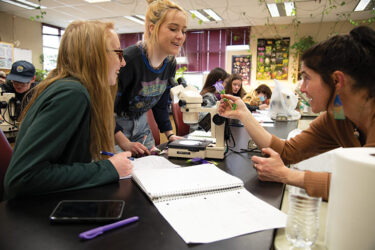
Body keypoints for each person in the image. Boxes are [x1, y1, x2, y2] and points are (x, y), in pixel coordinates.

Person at [218, 26, 375, 201]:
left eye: (307, 78)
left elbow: (366, 186)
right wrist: (244, 114)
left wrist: (287, 175)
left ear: (337, 80)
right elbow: (287, 152)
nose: (301, 88)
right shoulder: (338, 118)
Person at [4, 20, 133, 200]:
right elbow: (22, 178)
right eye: (118, 53)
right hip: (37, 217)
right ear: (92, 54)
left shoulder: (69, 88)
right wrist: (109, 168)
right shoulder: (72, 94)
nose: (123, 62)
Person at [114, 0, 187, 156]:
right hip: (115, 130)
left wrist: (170, 135)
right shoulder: (129, 60)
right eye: (173, 29)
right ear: (152, 28)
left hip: (142, 129)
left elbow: (160, 103)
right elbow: (104, 109)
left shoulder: (170, 63)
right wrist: (124, 142)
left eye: (184, 30)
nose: (180, 36)